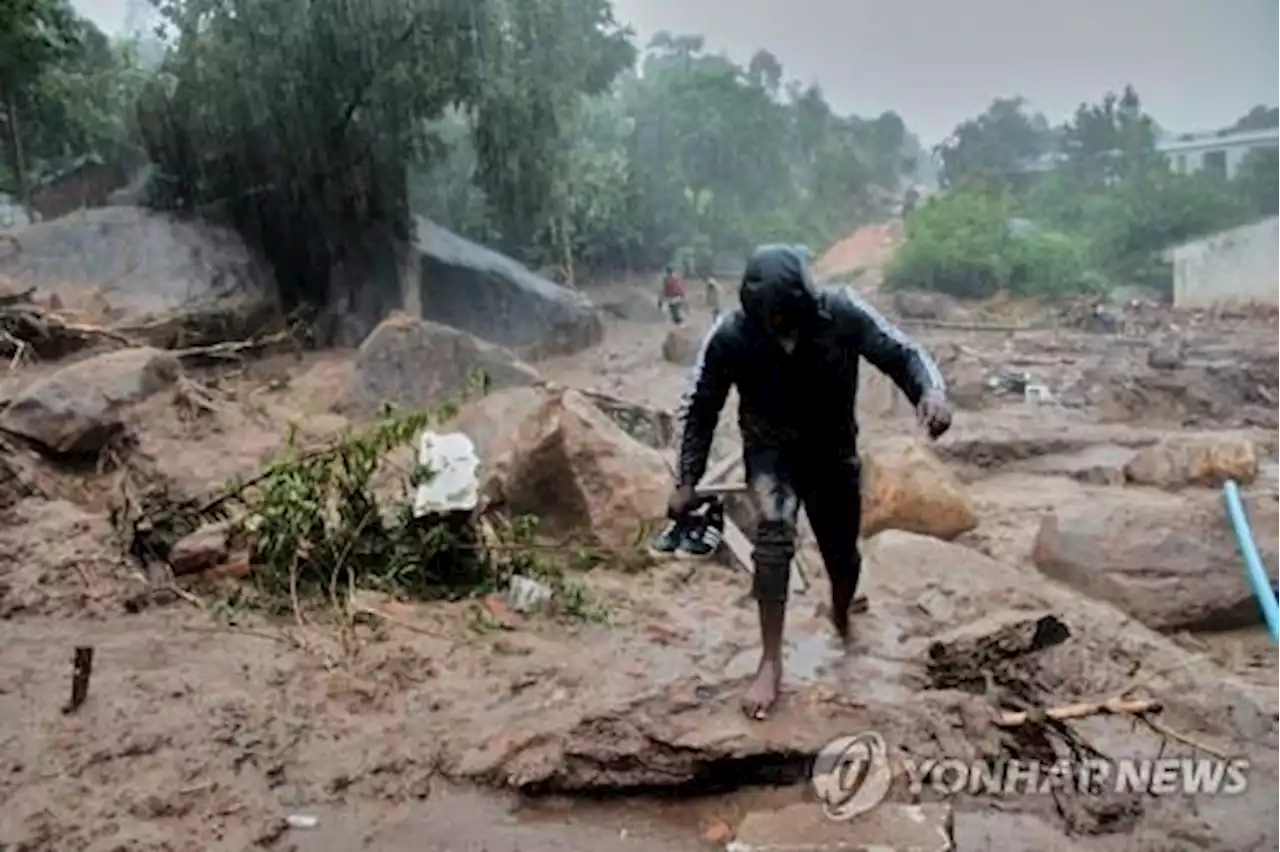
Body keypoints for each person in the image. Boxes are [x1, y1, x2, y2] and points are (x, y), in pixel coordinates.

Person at [664, 244, 952, 720]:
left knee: (843, 558)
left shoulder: (841, 311)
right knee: (773, 534)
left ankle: (841, 611)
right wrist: (688, 477)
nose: (775, 326)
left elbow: (902, 352)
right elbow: (701, 407)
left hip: (833, 453)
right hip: (769, 452)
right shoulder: (732, 334)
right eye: (766, 318)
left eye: (784, 316)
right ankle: (771, 661)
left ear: (804, 301)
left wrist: (931, 391)